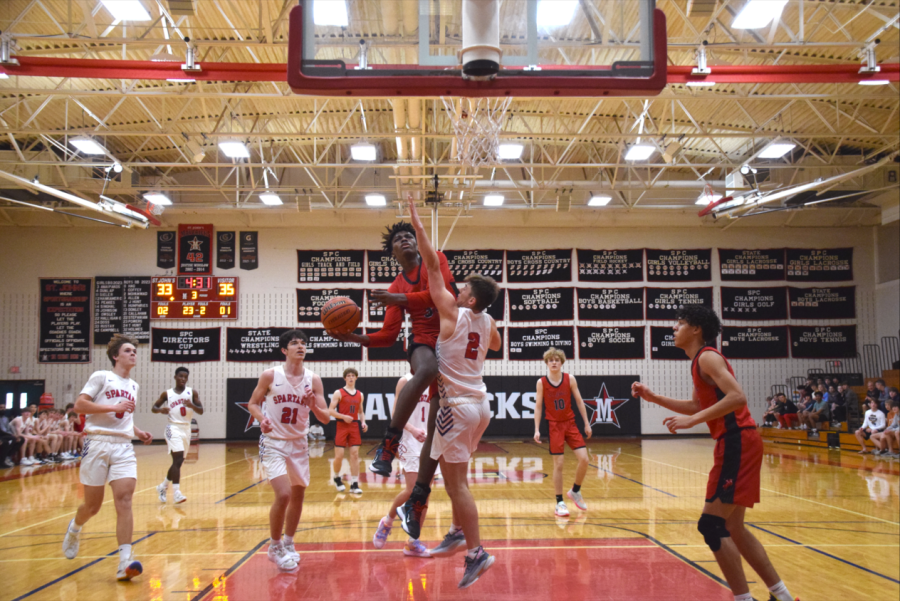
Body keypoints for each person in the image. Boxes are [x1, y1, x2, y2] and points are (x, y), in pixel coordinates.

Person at [631, 305, 797, 601]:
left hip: (737, 440)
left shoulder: (707, 356)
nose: (674, 328)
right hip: (736, 441)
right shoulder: (698, 361)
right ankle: (781, 595)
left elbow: (737, 397)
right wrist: (653, 396)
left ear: (696, 329)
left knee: (710, 525)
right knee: (733, 526)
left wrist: (693, 422)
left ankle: (744, 599)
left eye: (679, 323)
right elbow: (697, 406)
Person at [401, 198, 502, 589]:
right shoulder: (488, 319)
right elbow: (494, 344)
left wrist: (417, 223)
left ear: (470, 300)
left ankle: (476, 552)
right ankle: (459, 531)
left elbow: (430, 264)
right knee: (456, 476)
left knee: (456, 483)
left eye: (463, 292)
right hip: (481, 404)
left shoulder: (453, 313)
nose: (455, 292)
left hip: (456, 408)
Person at [327, 220, 457, 478]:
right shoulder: (396, 286)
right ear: (393, 253)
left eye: (409, 235)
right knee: (428, 368)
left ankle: (418, 496)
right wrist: (354, 337)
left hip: (451, 341)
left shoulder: (437, 259)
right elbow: (388, 336)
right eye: (398, 239)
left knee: (434, 431)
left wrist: (398, 299)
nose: (405, 239)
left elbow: (437, 294)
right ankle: (388, 445)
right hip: (423, 341)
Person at [62, 334, 153, 581]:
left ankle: (125, 561)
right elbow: (79, 406)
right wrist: (114, 407)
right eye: (128, 350)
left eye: (135, 351)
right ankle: (75, 528)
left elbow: (124, 416)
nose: (133, 353)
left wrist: (138, 431)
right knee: (92, 506)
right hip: (97, 443)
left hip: (123, 446)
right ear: (116, 356)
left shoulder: (133, 386)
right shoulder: (101, 377)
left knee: (124, 500)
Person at [246, 329, 332, 571]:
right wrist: (261, 418)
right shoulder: (270, 375)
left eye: (303, 343)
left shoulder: (313, 379)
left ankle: (289, 542)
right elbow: (253, 403)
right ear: (284, 350)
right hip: (273, 442)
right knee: (283, 494)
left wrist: (313, 404)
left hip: (299, 443)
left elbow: (325, 419)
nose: (300, 346)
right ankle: (274, 547)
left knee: (298, 495)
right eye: (294, 343)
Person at [372, 372, 434, 558]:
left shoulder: (436, 379)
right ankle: (387, 521)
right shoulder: (405, 381)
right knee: (412, 489)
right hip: (409, 439)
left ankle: (412, 543)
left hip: (430, 440)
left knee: (424, 495)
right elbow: (396, 414)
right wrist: (413, 430)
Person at [533, 347, 592, 517]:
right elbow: (538, 407)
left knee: (584, 459)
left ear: (561, 362)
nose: (553, 362)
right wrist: (536, 429)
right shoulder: (541, 382)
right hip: (554, 426)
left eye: (556, 360)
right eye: (550, 360)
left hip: (570, 424)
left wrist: (587, 424)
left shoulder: (570, 379)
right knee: (558, 464)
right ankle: (559, 502)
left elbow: (580, 402)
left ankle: (575, 491)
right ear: (546, 363)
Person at [153, 367, 204, 504]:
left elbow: (201, 411)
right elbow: (154, 408)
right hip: (172, 427)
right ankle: (176, 493)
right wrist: (161, 411)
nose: (183, 379)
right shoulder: (167, 394)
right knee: (178, 458)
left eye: (185, 377)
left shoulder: (192, 393)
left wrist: (192, 405)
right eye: (180, 376)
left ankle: (162, 486)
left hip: (186, 429)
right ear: (175, 377)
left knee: (178, 461)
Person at [328, 367, 367, 495]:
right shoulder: (338, 393)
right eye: (348, 375)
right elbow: (331, 410)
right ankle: (336, 477)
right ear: (345, 378)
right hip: (341, 425)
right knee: (339, 456)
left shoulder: (360, 394)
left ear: (356, 377)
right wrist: (343, 416)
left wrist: (363, 422)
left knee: (355, 455)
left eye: (353, 375)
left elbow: (361, 411)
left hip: (354, 426)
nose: (351, 377)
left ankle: (354, 484)